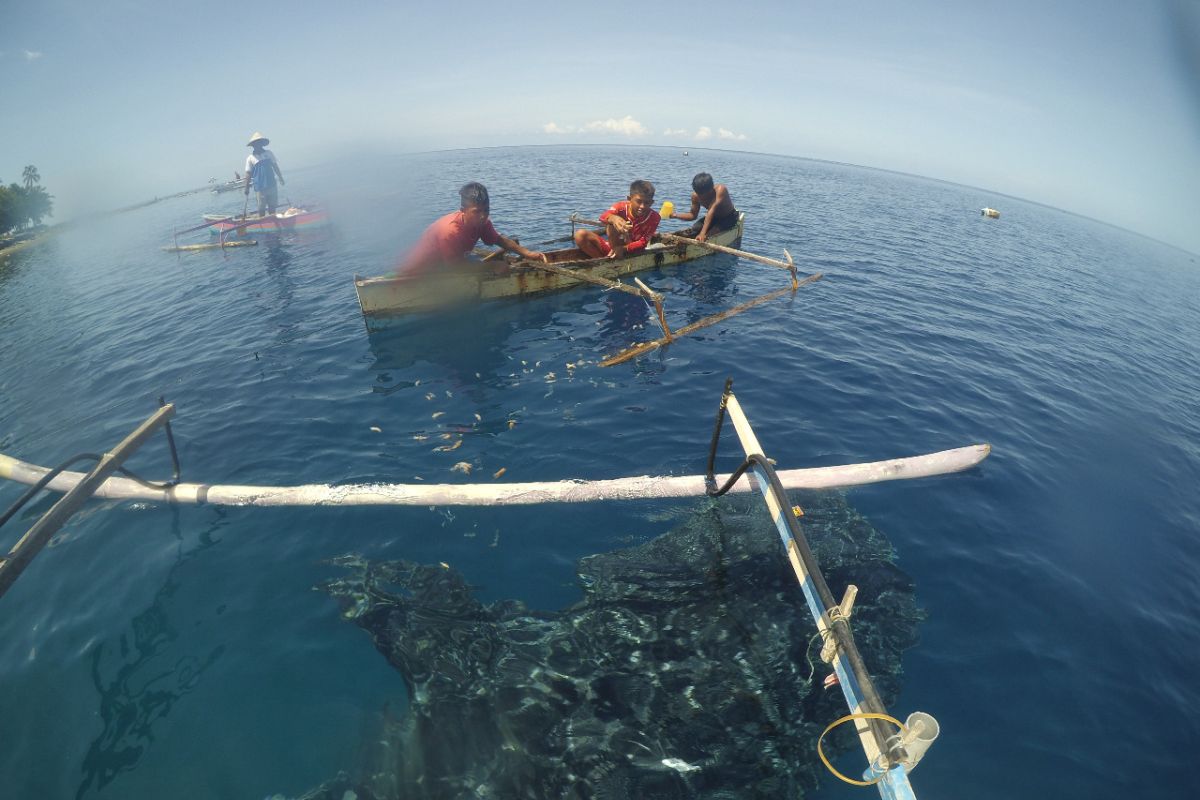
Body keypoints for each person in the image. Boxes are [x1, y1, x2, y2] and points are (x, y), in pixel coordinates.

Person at [397, 182, 547, 276]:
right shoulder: (450, 231)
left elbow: (500, 240)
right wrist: (493, 266)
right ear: (463, 210)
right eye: (477, 211)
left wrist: (529, 253)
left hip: (444, 264)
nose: (483, 216)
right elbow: (455, 268)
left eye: (486, 210)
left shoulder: (482, 223)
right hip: (416, 272)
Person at [574, 179, 661, 259]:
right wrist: (613, 218)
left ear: (652, 202)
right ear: (629, 199)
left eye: (647, 202)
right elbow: (603, 217)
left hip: (632, 251)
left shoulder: (654, 217)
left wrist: (623, 249)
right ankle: (601, 260)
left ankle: (609, 260)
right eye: (638, 201)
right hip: (614, 247)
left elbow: (643, 243)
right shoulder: (620, 207)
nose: (642, 206)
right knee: (580, 234)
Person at [665, 172, 738, 242]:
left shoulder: (720, 190)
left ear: (710, 190)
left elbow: (711, 210)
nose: (699, 196)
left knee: (710, 233)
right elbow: (692, 215)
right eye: (698, 193)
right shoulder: (695, 196)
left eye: (702, 194)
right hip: (714, 218)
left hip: (729, 217)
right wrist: (675, 215)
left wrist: (703, 234)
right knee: (695, 228)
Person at [244, 132, 285, 216]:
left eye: (259, 142)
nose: (258, 144)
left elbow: (275, 166)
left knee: (272, 206)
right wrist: (246, 187)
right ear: (253, 145)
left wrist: (280, 178)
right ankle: (262, 222)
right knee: (261, 208)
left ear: (262, 143)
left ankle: (273, 221)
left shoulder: (269, 153)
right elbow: (248, 173)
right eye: (256, 143)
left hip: (271, 184)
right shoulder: (250, 158)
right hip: (260, 187)